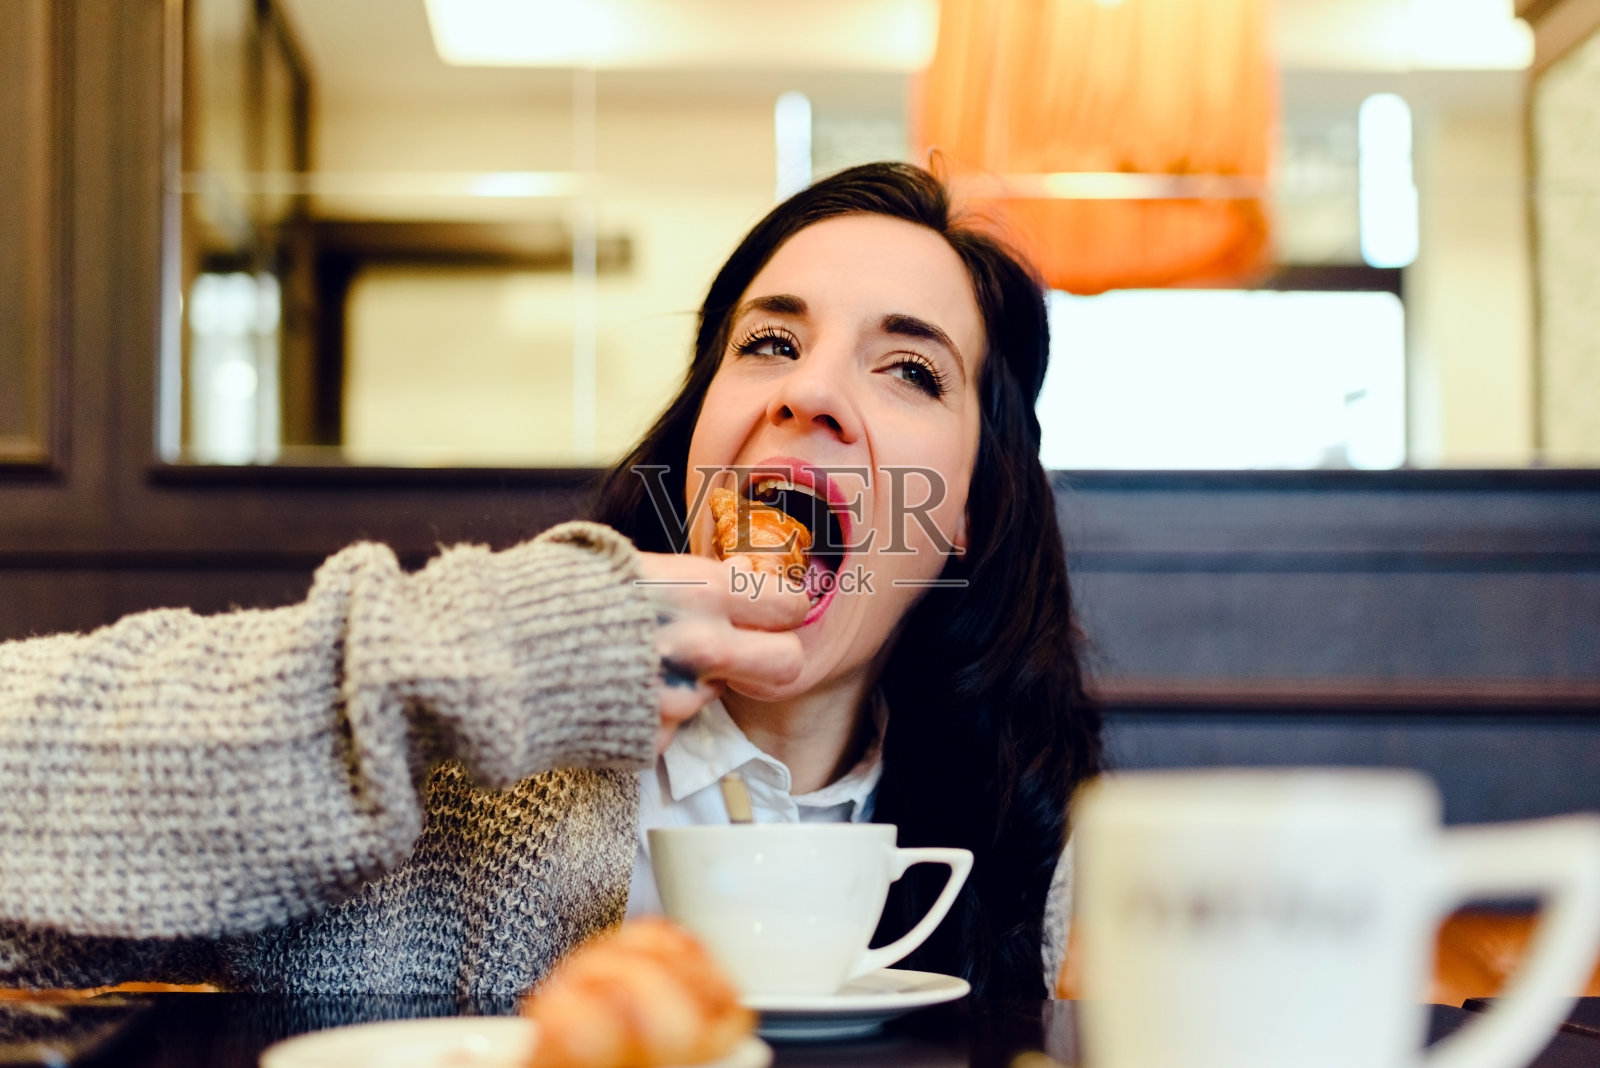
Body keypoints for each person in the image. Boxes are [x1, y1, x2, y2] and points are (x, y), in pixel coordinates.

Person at [0, 162, 1100, 1003]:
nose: (809, 391)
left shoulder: (1036, 861)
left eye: (909, 369)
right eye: (769, 343)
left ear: (967, 511)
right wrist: (485, 657)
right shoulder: (457, 794)